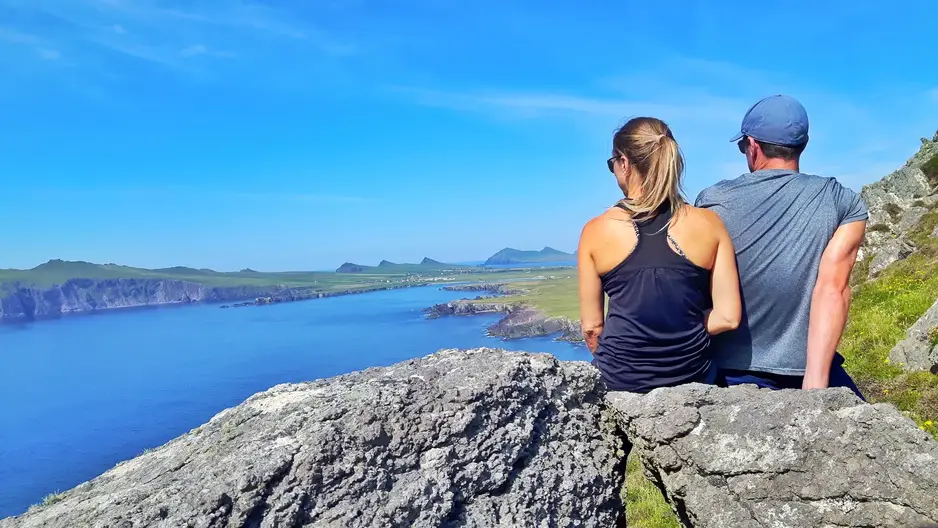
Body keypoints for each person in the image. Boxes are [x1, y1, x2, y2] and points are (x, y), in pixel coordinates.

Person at [694, 94, 868, 398]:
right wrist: (815, 388)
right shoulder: (842, 201)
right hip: (812, 371)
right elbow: (833, 289)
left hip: (730, 373)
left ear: (753, 145)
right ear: (802, 144)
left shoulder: (712, 201)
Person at [578, 116, 742, 394]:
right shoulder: (709, 224)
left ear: (624, 164)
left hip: (620, 382)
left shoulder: (596, 231)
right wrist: (685, 327)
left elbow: (593, 328)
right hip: (691, 379)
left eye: (612, 164)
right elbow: (728, 317)